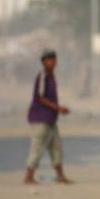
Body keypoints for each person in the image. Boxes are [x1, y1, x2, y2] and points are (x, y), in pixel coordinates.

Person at [24, 49, 72, 185]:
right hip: (40, 118)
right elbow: (40, 97)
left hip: (50, 118)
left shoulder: (51, 76)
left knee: (56, 147)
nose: (53, 62)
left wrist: (57, 109)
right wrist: (58, 108)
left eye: (54, 59)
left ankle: (60, 176)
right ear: (43, 62)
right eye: (49, 59)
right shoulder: (43, 76)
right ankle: (29, 176)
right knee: (37, 147)